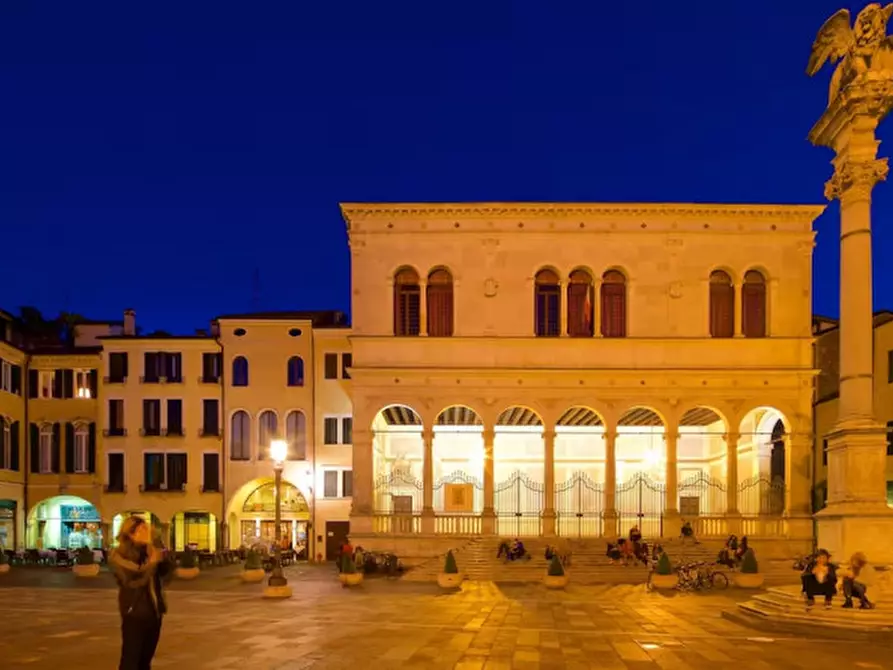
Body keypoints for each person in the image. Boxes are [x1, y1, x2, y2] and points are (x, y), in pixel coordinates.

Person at [109, 516, 174, 670]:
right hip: (134, 612)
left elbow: (166, 575)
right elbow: (133, 580)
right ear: (131, 533)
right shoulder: (119, 555)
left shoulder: (150, 551)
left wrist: (164, 558)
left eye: (147, 529)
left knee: (145, 660)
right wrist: (152, 562)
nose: (147, 532)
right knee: (131, 660)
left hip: (153, 611)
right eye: (142, 529)